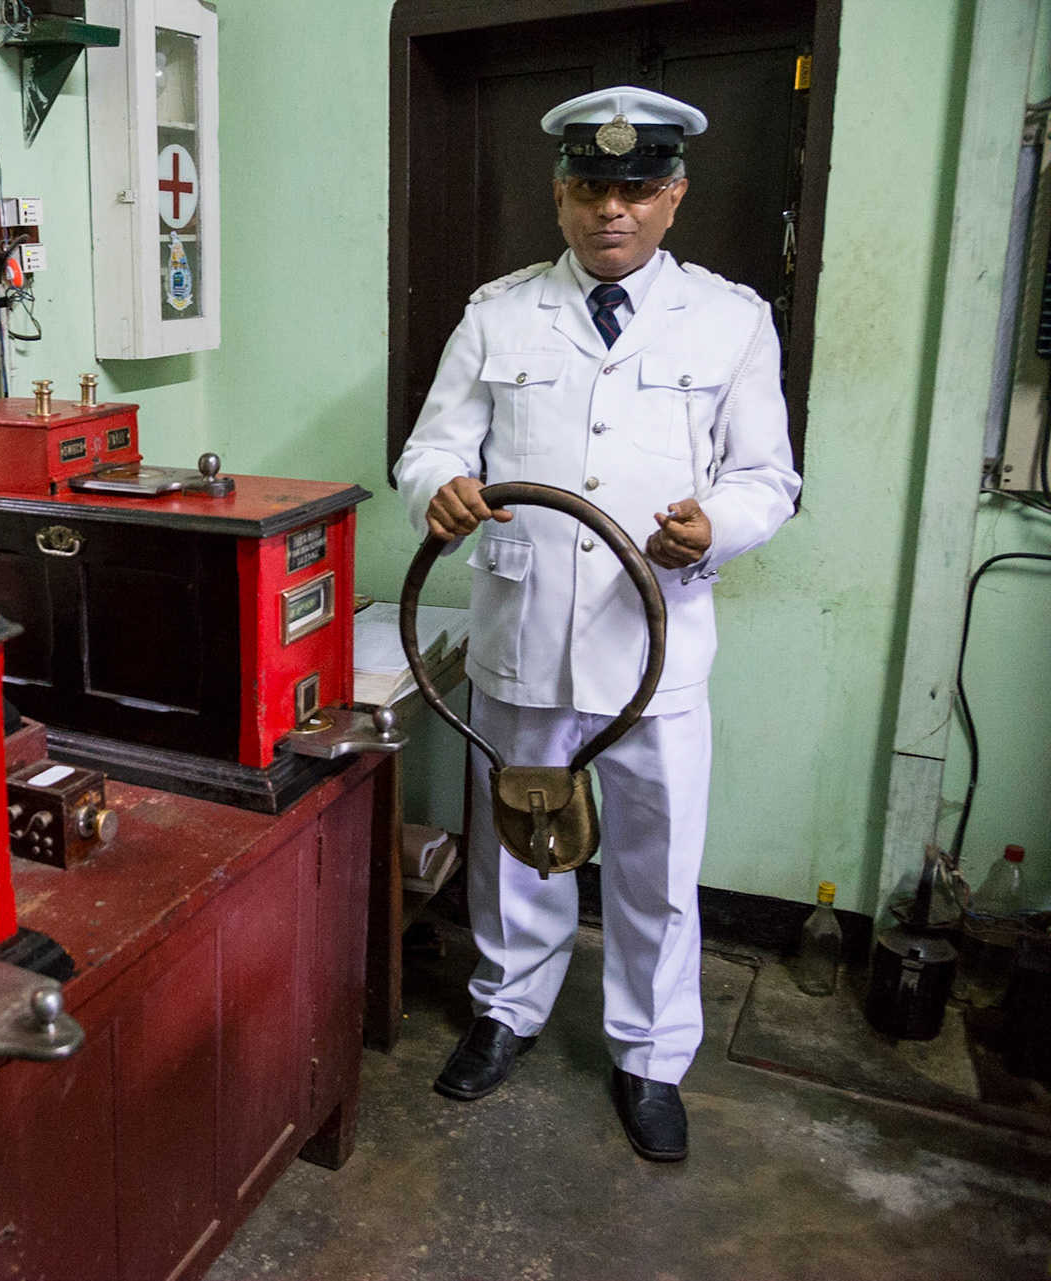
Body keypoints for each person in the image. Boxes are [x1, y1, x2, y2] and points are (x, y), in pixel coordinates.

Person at [393, 87, 801, 1161]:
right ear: (559, 194)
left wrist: (714, 527)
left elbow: (768, 478)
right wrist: (440, 488)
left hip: (655, 644)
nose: (609, 209)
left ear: (673, 196)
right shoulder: (499, 314)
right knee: (519, 844)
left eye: (634, 188)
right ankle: (505, 1010)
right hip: (524, 630)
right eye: (588, 187)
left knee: (656, 866)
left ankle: (651, 1057)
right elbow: (431, 449)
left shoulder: (729, 320)